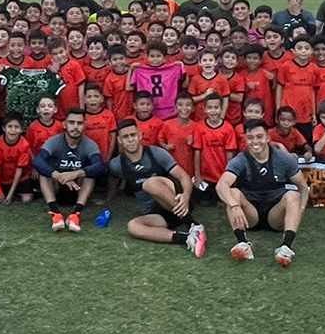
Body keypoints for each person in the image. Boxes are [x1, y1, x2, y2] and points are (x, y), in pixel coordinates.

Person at [216, 120, 308, 266]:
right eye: (250, 138)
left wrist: (301, 208)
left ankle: (286, 247)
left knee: (293, 195)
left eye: (259, 137)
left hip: (275, 215)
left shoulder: (283, 158)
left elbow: (303, 186)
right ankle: (243, 244)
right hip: (251, 215)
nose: (255, 142)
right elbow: (221, 185)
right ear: (246, 139)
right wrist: (234, 205)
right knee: (232, 192)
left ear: (268, 138)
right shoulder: (240, 160)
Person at [110, 119, 206, 256]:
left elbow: (183, 176)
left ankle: (194, 225)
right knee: (133, 226)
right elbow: (112, 179)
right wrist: (109, 200)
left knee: (149, 184)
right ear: (119, 140)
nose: (130, 140)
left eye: (133, 135)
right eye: (125, 137)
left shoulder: (156, 153)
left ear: (140, 135)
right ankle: (188, 239)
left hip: (178, 202)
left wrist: (185, 196)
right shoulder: (117, 164)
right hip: (158, 215)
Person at [33, 109, 105, 231]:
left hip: (78, 189)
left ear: (84, 125)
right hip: (57, 187)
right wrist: (58, 176)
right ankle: (56, 213)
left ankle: (75, 214)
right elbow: (38, 161)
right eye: (71, 122)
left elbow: (99, 166)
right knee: (44, 174)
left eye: (79, 123)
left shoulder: (89, 144)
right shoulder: (54, 141)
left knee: (89, 174)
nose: (75, 127)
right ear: (65, 124)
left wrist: (75, 173)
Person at [0, 114, 36, 204]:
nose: (13, 130)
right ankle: (3, 191)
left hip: (20, 178)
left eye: (16, 127)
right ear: (4, 128)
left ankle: (16, 191)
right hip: (2, 178)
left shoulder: (24, 145)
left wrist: (10, 195)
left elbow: (19, 170)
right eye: (10, 126)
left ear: (21, 130)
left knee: (27, 199)